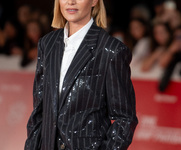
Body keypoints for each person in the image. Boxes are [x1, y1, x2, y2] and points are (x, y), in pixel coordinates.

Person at [24, 0, 138, 150]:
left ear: (94, 1)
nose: (71, 2)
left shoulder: (111, 50)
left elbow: (125, 119)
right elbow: (39, 111)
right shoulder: (47, 44)